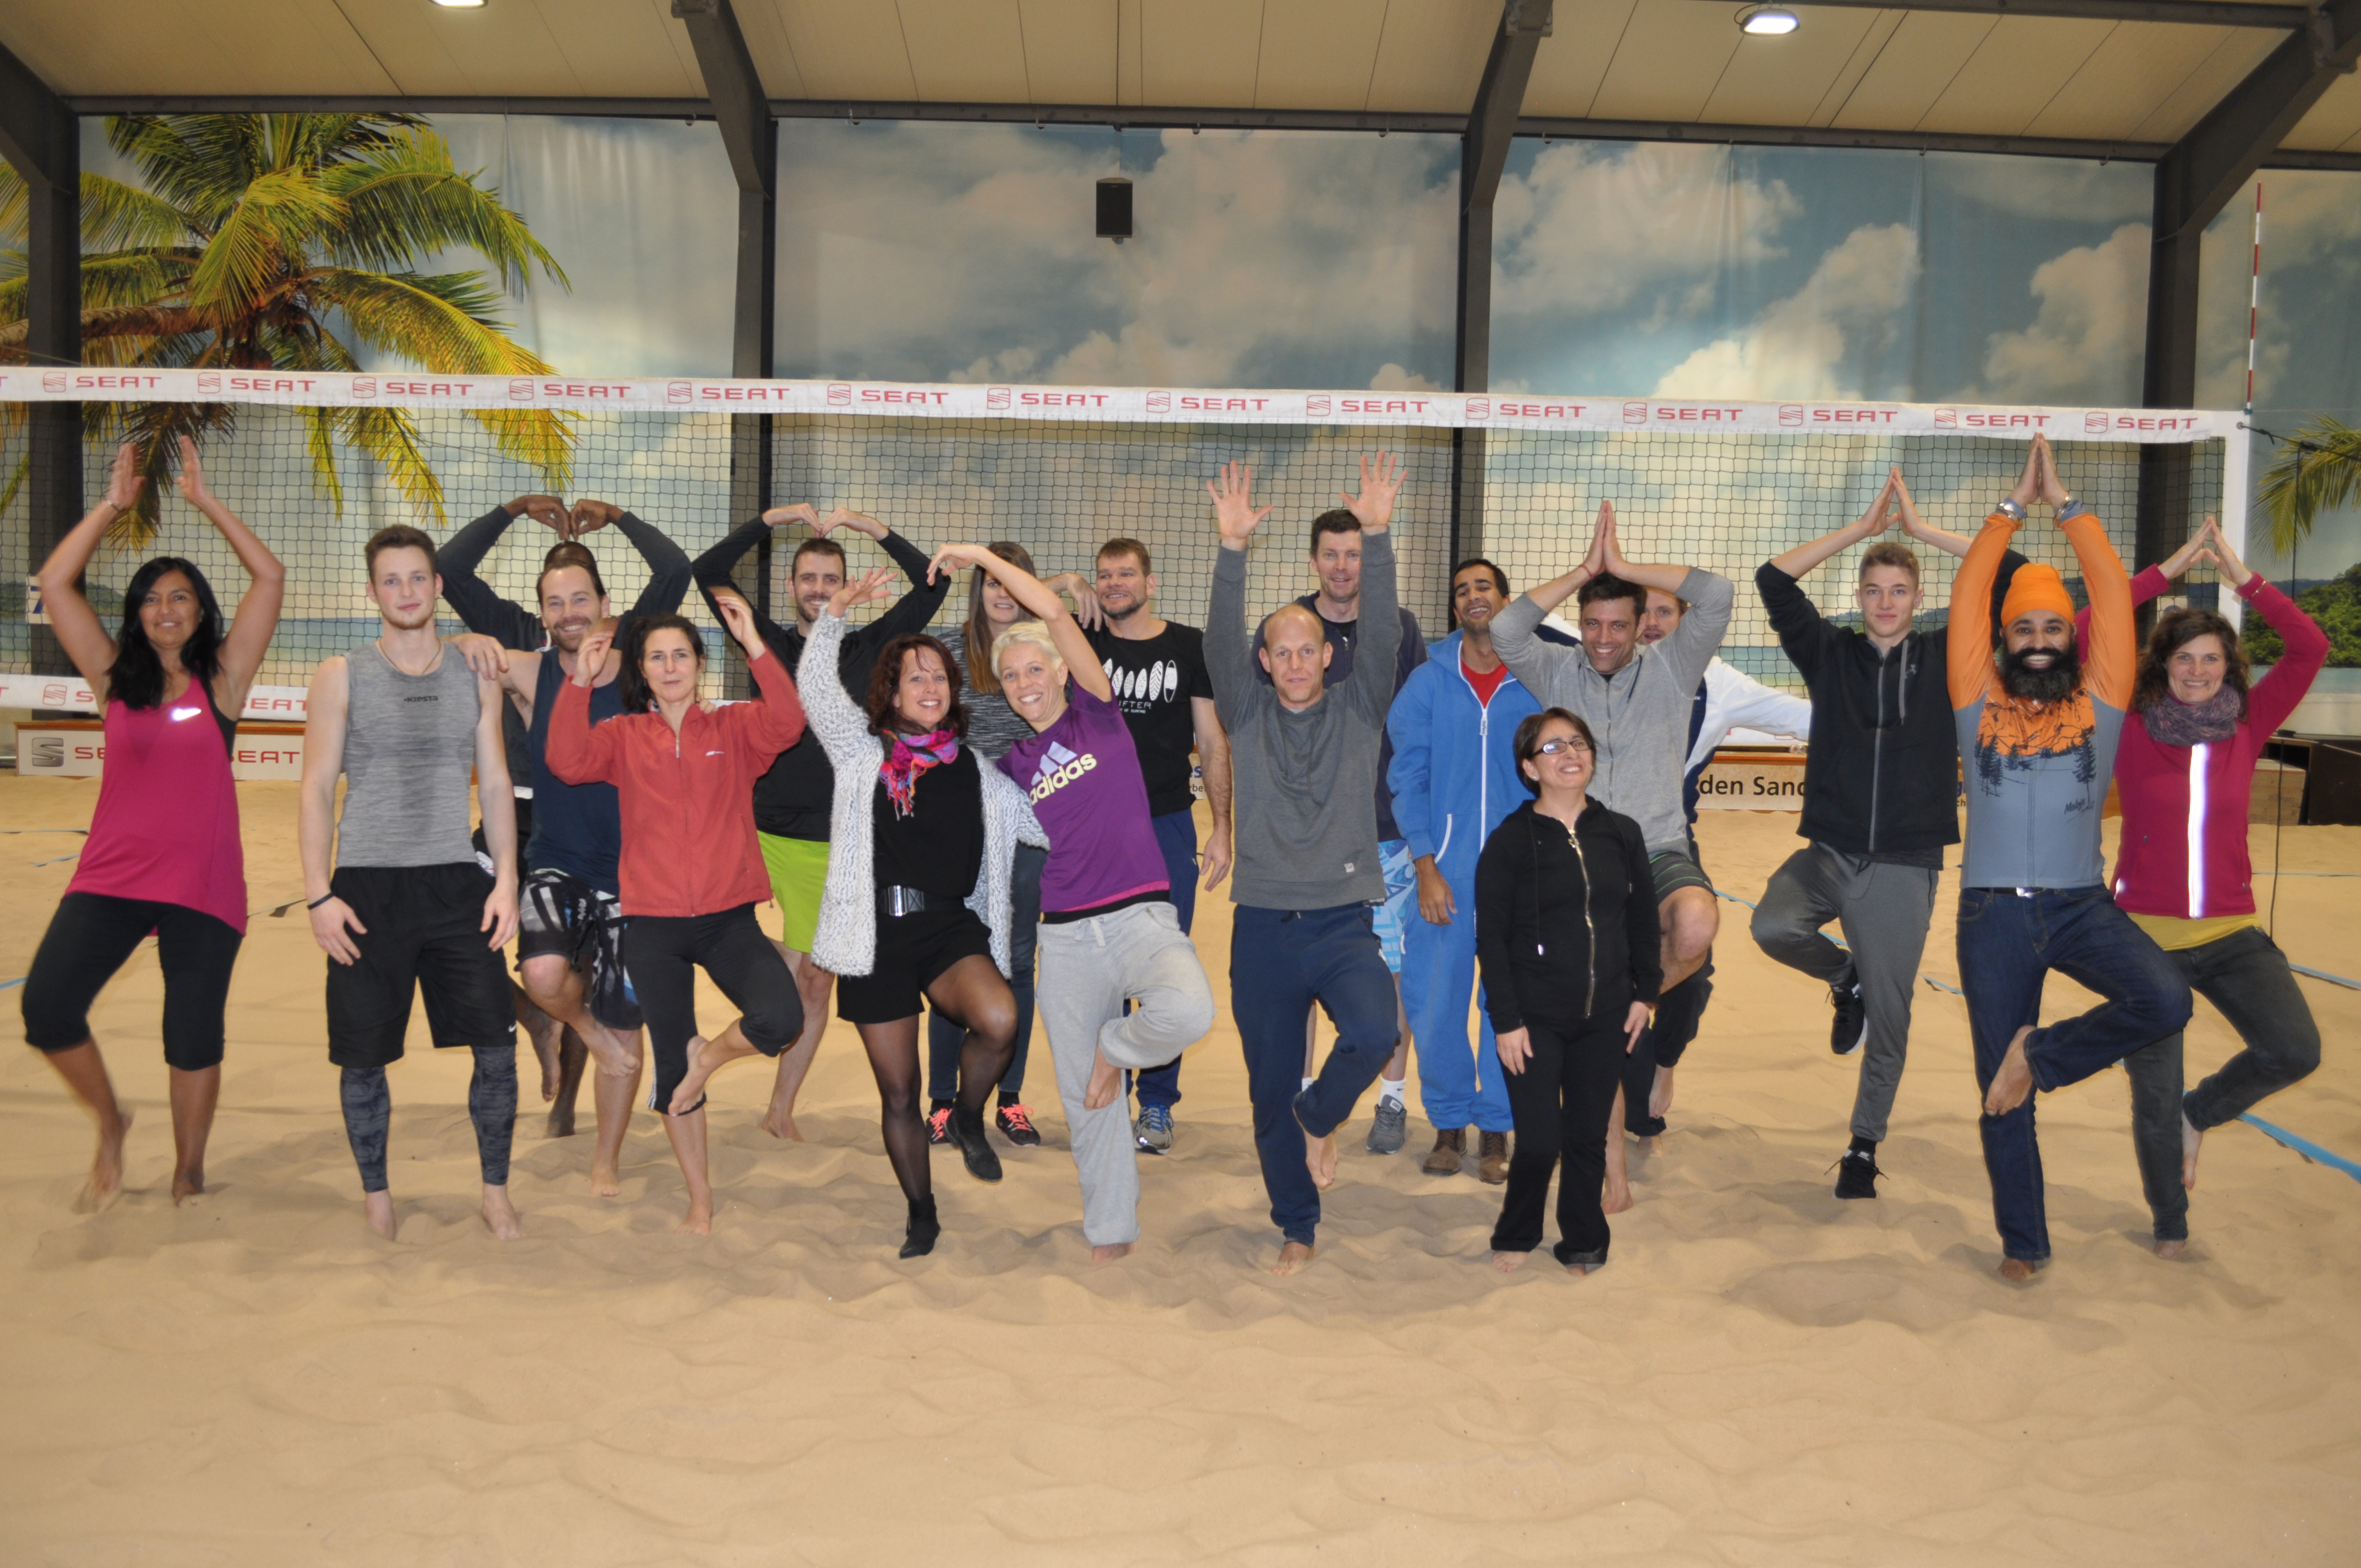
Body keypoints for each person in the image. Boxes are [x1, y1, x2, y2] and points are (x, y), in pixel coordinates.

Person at [1946, 433, 2192, 1281]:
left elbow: (2118, 605)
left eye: (2055, 624)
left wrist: (2074, 510)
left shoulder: (2105, 697)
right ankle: (2025, 1244)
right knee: (1996, 1088)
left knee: (2164, 997)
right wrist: (2012, 508)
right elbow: (1971, 585)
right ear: (2004, 637)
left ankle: (2042, 1057)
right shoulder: (1973, 697)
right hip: (1993, 914)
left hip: (2084, 905)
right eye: (2026, 627)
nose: (2042, 636)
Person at [934, 543, 1217, 1262]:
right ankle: (1111, 1228)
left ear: (1061, 670)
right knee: (1086, 1102)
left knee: (1190, 1010)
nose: (1025, 682)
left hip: (1140, 917)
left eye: (1035, 668)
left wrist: (977, 555)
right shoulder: (1010, 767)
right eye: (1012, 675)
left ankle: (1117, 1049)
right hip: (1063, 939)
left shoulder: (1099, 717)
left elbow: (1057, 610)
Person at [22, 440, 284, 1208]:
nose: (165, 609)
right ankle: (111, 1123)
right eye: (151, 598)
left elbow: (268, 577)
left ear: (200, 611)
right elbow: (54, 581)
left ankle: (188, 1169)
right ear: (136, 613)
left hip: (201, 882)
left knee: (192, 1032)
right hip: (112, 875)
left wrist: (205, 501)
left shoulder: (224, 678)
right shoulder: (112, 676)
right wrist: (112, 505)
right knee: (47, 1008)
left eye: (180, 597)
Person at [1750, 469, 2022, 1199]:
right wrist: (1863, 532)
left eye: (1899, 590)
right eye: (1873, 590)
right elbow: (1772, 579)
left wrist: (1925, 531)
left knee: (1894, 1017)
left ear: (1920, 600)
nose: (1885, 602)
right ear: (1859, 598)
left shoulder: (1946, 658)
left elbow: (2015, 580)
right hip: (1830, 850)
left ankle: (1864, 1146)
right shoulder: (1829, 653)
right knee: (1772, 926)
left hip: (1904, 862)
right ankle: (1846, 979)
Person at [2080, 519, 2329, 1257]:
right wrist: (2169, 569)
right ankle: (2170, 1226)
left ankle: (2203, 1112)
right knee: (2150, 1098)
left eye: (2211, 659)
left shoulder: (2250, 723)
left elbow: (2311, 647)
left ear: (2229, 665)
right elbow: (2092, 629)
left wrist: (2244, 578)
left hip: (2230, 937)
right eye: (2184, 658)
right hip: (2143, 944)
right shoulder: (2127, 722)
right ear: (2164, 662)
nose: (2197, 671)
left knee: (2294, 1048)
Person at [798, 568, 1049, 1258]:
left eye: (939, 676)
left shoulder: (976, 770)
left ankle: (968, 1116)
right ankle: (921, 1210)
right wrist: (835, 617)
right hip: (872, 936)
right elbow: (817, 689)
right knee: (901, 1093)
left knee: (1000, 1018)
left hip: (946, 928)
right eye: (915, 678)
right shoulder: (860, 752)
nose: (931, 688)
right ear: (892, 691)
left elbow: (1044, 821)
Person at [1490, 501, 1733, 1210]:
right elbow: (1507, 626)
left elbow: (1715, 594)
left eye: (1618, 623)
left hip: (1656, 846)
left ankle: (1632, 1005)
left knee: (1695, 926)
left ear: (1640, 626)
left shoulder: (1672, 667)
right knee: (1594, 1008)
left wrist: (1622, 568)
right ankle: (1611, 1161)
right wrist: (1585, 573)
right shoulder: (1555, 670)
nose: (1603, 638)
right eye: (1593, 624)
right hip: (1580, 856)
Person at [547, 603, 809, 1234]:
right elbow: (566, 760)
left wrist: (754, 642)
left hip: (727, 921)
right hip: (655, 926)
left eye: (681, 655)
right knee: (669, 1066)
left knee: (782, 1017)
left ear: (699, 664)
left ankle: (708, 1056)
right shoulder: (622, 736)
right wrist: (578, 683)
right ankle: (700, 1195)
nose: (670, 667)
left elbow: (789, 722)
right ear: (642, 669)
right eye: (657, 657)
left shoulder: (736, 725)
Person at [1207, 454, 1407, 1276]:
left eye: (1307, 650)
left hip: (1340, 919)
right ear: (1264, 663)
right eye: (1279, 651)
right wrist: (1231, 553)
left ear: (1330, 658)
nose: (1294, 661)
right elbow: (1222, 639)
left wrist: (1379, 535)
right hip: (1261, 926)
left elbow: (1388, 629)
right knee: (1264, 1093)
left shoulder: (1362, 708)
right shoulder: (1246, 711)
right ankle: (1297, 1223)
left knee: (1372, 1031)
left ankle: (1319, 1113)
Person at [693, 504, 949, 1142]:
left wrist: (872, 527)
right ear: (791, 587)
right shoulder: (766, 642)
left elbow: (935, 584)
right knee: (710, 932)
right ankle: (763, 979)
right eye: (807, 578)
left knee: (815, 978)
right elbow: (707, 571)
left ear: (844, 586)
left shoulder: (874, 649)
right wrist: (770, 521)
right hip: (753, 827)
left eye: (829, 579)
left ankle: (780, 1110)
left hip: (830, 840)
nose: (818, 589)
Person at [438, 493, 690, 1137]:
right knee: (464, 930)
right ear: (543, 604)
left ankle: (566, 1100)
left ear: (602, 600)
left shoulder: (624, 644)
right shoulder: (523, 638)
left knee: (584, 967)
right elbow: (451, 568)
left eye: (581, 597)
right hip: (519, 815)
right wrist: (511, 510)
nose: (569, 612)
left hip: (592, 829)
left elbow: (673, 573)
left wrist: (623, 517)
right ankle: (535, 1015)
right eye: (557, 599)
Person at [300, 525, 524, 1241]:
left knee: (497, 1046)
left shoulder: (476, 671)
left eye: (418, 578)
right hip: (365, 889)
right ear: (374, 592)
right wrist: (317, 894)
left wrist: (506, 880)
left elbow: (494, 780)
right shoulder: (342, 674)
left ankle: (495, 1192)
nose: (406, 591)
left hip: (458, 881)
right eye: (391, 580)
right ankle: (377, 1198)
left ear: (437, 586)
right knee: (364, 1058)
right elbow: (313, 790)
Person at [1384, 558, 1574, 1183]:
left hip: (1522, 877)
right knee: (1435, 1002)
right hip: (1444, 875)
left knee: (1508, 1003)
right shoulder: (1427, 682)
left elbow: (1564, 770)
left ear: (1506, 598)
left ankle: (1496, 1129)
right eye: (1461, 589)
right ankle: (1447, 1124)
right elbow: (1406, 778)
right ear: (1454, 607)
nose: (1472, 596)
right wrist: (1426, 863)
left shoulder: (1538, 676)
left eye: (1483, 587)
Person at [1256, 504, 1427, 1155]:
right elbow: (1260, 728)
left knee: (1390, 974)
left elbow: (1413, 725)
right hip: (1309, 840)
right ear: (1313, 560)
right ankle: (1305, 1093)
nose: (1342, 566)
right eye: (1330, 553)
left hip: (1384, 831)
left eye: (1354, 553)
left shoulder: (1398, 629)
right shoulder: (1287, 629)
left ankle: (1390, 1098)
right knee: (1299, 979)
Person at [1622, 581, 1810, 1146]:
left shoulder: (1721, 683)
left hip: (1669, 844)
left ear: (1686, 620)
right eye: (1644, 612)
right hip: (1597, 845)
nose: (1652, 623)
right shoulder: (1600, 663)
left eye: (1665, 612)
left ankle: (1662, 1058)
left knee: (1692, 963)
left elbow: (1809, 720)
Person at [1477, 710, 1661, 1275]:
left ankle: (1583, 1241)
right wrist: (1505, 1020)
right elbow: (1492, 937)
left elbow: (1641, 918)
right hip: (1533, 1018)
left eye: (1577, 742)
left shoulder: (1621, 832)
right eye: (1552, 746)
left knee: (1585, 1137)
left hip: (1606, 1012)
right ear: (1530, 767)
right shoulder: (1509, 842)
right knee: (1537, 1140)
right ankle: (1518, 1231)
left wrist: (1644, 994)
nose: (1569, 753)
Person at [1075, 537, 1233, 1155]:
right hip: (1097, 828)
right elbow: (1024, 625)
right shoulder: (1087, 640)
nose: (1114, 583)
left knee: (1165, 968)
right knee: (1102, 967)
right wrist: (1068, 582)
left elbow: (1212, 740)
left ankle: (1159, 1105)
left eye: (1125, 574)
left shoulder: (1188, 645)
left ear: (1151, 581)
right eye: (1103, 574)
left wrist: (1221, 826)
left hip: (1168, 823)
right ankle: (1105, 1088)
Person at [924, 541, 1063, 1150]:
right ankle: (942, 1102)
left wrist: (1073, 581)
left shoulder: (1044, 654)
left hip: (1028, 831)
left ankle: (1008, 1098)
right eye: (991, 584)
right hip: (958, 832)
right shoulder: (950, 651)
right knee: (953, 960)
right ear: (977, 590)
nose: (1002, 595)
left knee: (1018, 963)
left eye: (1014, 584)